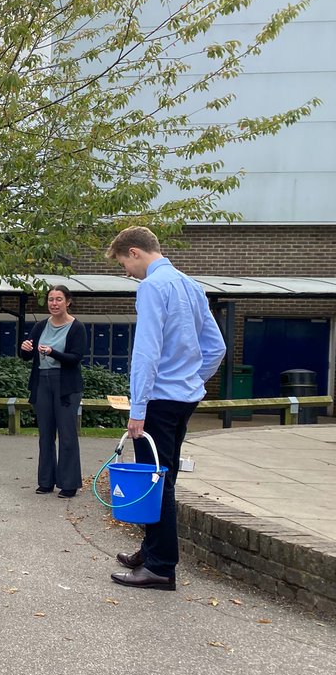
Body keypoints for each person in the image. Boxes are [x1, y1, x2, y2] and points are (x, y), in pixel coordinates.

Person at [107, 226, 226, 591]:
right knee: (164, 475)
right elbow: (216, 347)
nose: (127, 272)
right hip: (184, 398)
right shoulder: (192, 286)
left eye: (124, 264)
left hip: (158, 400)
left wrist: (138, 408)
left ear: (135, 252)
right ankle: (151, 550)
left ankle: (160, 566)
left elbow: (146, 352)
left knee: (156, 481)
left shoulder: (152, 288)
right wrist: (192, 380)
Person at [20, 285, 87, 498]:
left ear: (68, 301)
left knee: (67, 435)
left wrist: (52, 352)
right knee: (45, 435)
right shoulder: (40, 326)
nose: (54, 303)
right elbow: (27, 357)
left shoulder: (77, 327)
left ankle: (69, 484)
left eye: (59, 299)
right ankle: (46, 481)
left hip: (66, 386)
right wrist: (25, 349)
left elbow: (75, 358)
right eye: (51, 299)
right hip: (42, 383)